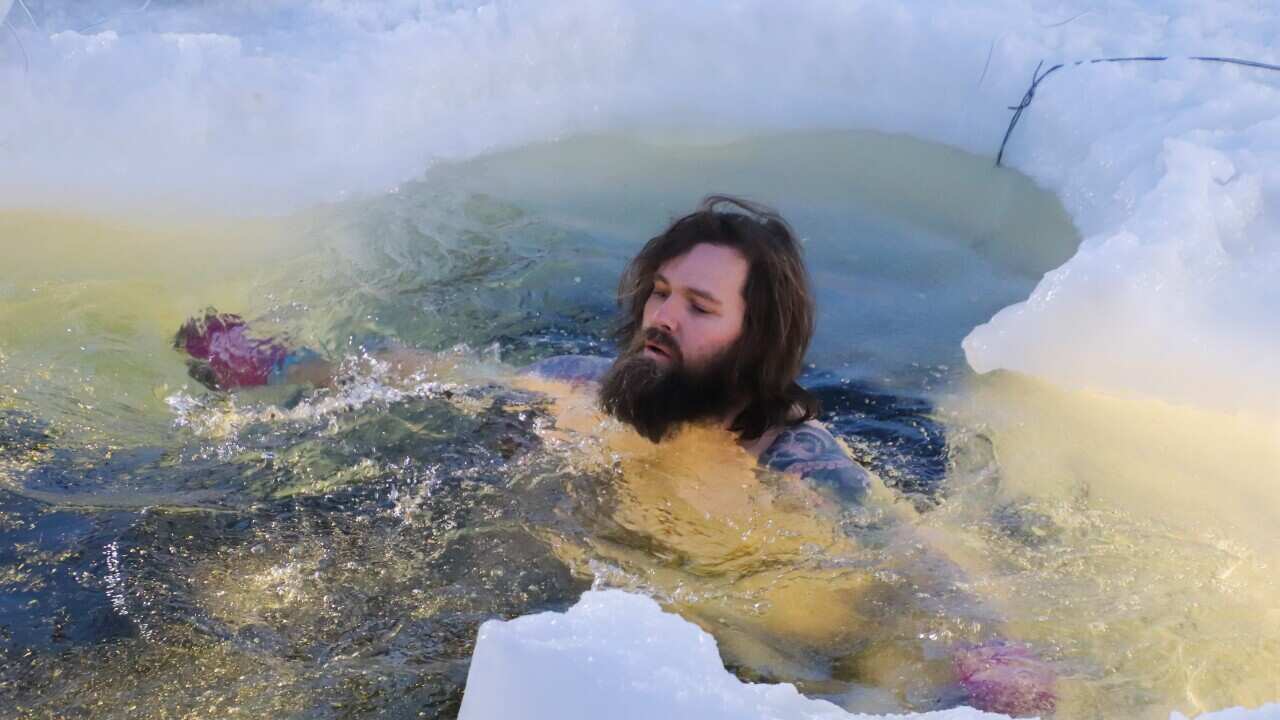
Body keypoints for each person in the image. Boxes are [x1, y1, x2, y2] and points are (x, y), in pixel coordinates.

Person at [173, 195, 1055, 716]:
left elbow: (912, 560)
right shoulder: (580, 384)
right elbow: (422, 375)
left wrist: (993, 656)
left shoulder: (791, 461)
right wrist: (280, 365)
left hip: (774, 671)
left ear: (758, 339)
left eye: (700, 307)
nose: (661, 317)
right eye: (661, 292)